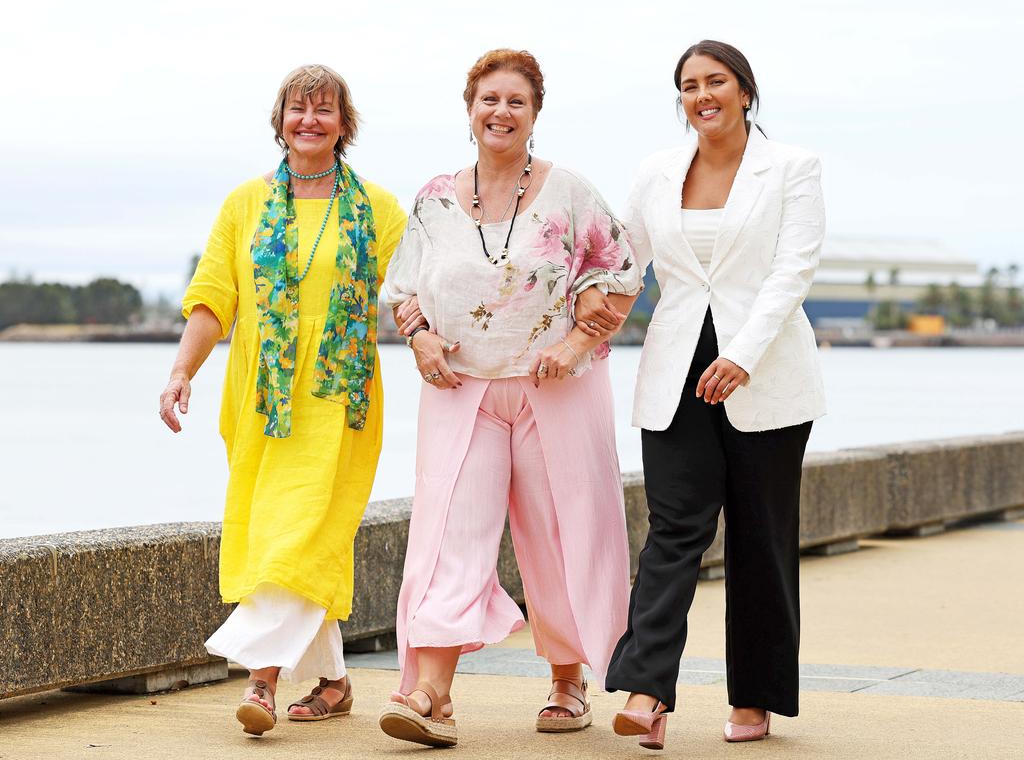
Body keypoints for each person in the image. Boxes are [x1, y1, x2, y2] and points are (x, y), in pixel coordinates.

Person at [377, 48, 643, 748]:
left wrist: (577, 344)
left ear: (534, 114)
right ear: (470, 110)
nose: (500, 112)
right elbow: (404, 289)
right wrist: (420, 338)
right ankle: (430, 692)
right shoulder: (435, 197)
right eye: (489, 99)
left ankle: (566, 678)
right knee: (447, 537)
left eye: (515, 102)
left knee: (558, 535)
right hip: (461, 390)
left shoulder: (570, 192)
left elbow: (620, 271)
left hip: (554, 391)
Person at [157, 64, 406, 737]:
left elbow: (416, 293)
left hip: (338, 403)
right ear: (281, 121)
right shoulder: (244, 204)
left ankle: (260, 683)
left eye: (325, 111)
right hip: (262, 405)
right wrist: (183, 372)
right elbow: (213, 299)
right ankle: (333, 681)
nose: (310, 122)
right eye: (299, 109)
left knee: (296, 536)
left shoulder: (379, 210)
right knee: (285, 537)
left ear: (344, 125)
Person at [605, 40, 826, 750]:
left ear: (744, 91)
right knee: (673, 528)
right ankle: (646, 689)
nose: (703, 95)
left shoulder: (791, 168)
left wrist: (741, 354)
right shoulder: (657, 172)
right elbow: (619, 262)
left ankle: (755, 697)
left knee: (760, 538)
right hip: (675, 372)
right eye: (690, 86)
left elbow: (793, 271)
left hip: (762, 372)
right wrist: (571, 322)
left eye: (716, 82)